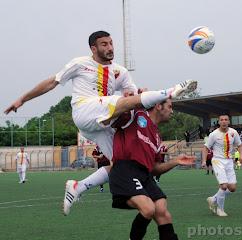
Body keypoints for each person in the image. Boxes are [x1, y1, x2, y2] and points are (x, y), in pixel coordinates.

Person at [3, 30, 197, 215]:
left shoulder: (120, 71)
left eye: (111, 43)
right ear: (93, 49)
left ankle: (78, 187)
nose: (110, 47)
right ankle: (170, 91)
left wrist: (136, 95)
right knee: (118, 103)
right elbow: (51, 82)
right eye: (104, 44)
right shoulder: (80, 64)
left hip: (99, 125)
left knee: (121, 163)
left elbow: (132, 95)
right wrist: (23, 99)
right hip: (84, 111)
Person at [109, 98, 195, 240]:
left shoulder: (156, 136)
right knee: (148, 209)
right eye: (170, 106)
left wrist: (175, 161)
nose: (172, 111)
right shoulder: (137, 115)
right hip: (125, 170)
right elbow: (114, 113)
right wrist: (132, 97)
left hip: (144, 174)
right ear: (158, 106)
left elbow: (154, 169)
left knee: (162, 210)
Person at [201, 114, 242, 217]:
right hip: (217, 160)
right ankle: (220, 209)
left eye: (226, 120)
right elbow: (205, 148)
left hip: (229, 161)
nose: (224, 121)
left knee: (232, 187)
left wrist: (241, 155)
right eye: (222, 120)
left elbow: (240, 145)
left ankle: (214, 199)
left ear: (229, 121)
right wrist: (203, 161)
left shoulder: (233, 132)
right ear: (219, 122)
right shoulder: (213, 134)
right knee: (224, 186)